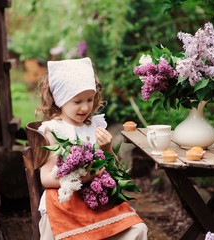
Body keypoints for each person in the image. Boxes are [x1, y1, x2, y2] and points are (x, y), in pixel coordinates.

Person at [35, 57, 148, 240]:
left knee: (137, 229)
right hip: (66, 202)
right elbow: (46, 179)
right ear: (60, 100)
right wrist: (84, 177)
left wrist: (107, 149)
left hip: (96, 200)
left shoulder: (95, 126)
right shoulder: (55, 131)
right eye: (77, 101)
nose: (86, 107)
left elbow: (114, 173)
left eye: (90, 99)